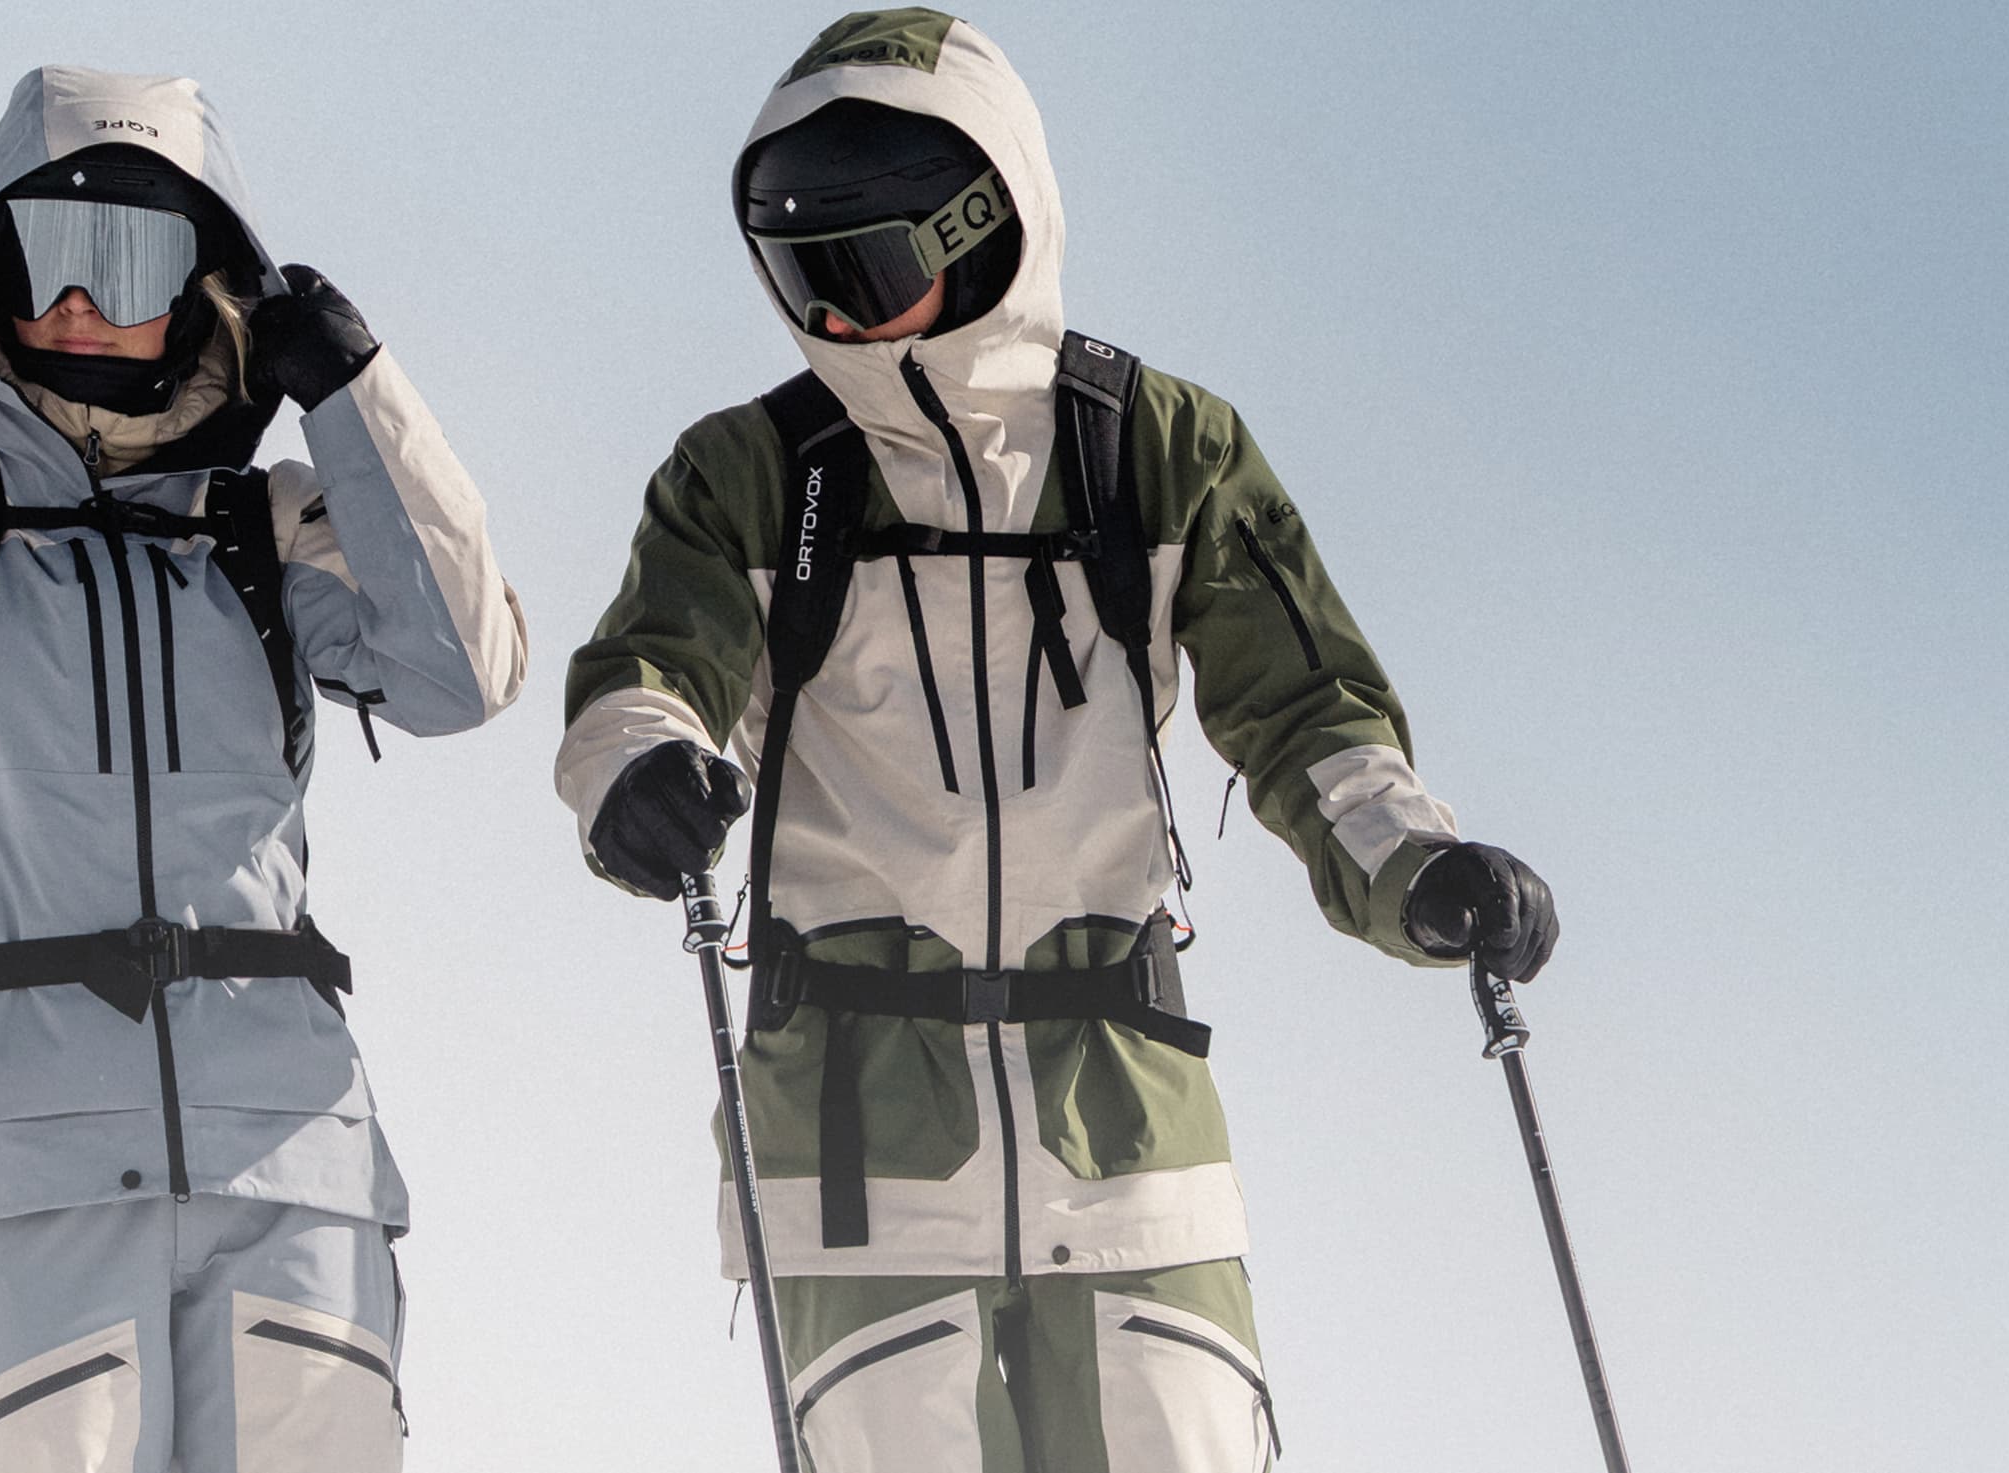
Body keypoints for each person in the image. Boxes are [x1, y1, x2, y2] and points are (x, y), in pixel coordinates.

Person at [554, 12, 1558, 1470]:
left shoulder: (1154, 448)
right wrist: (638, 769)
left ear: (987, 224)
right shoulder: (755, 474)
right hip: (859, 1134)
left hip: (1122, 1111)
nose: (835, 320)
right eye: (798, 280)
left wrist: (1423, 865)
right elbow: (642, 670)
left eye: (866, 271)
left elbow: (1307, 711)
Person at [0, 64, 523, 1472]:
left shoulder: (267, 524)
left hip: (291, 1169)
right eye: (44, 254)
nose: (78, 302)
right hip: (21, 1177)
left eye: (125, 259)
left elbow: (462, 668)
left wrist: (361, 397)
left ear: (200, 288)